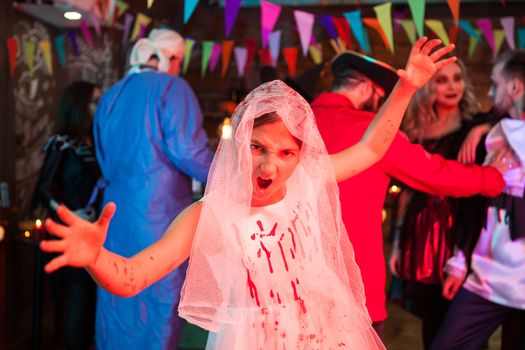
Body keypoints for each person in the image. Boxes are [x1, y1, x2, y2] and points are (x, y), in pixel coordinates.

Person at [41, 38, 455, 349]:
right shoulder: (210, 215)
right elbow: (134, 278)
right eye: (257, 147)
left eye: (286, 152)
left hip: (328, 333)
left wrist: (406, 88)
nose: (269, 165)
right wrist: (95, 257)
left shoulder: (306, 181)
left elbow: (371, 148)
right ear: (239, 141)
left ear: (300, 155)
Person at [312, 50, 507, 336]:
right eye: (381, 98)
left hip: (292, 279)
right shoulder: (372, 131)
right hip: (353, 283)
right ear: (368, 88)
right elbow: (434, 173)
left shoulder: (293, 124)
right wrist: (491, 178)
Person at [93, 28, 214, 349]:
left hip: (114, 216)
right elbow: (188, 151)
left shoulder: (112, 94)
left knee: (117, 294)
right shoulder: (172, 88)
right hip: (159, 216)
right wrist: (230, 174)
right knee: (157, 295)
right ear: (171, 58)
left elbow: (102, 156)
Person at [388, 59, 495, 348]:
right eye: (442, 80)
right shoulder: (415, 129)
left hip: (458, 235)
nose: (452, 86)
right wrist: (398, 243)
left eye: (457, 78)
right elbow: (407, 192)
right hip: (419, 237)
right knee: (432, 327)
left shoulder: (473, 126)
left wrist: (483, 128)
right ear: (427, 87)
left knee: (464, 331)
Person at [430, 50, 525, 350]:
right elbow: (476, 208)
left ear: (514, 88)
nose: (489, 90)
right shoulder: (494, 135)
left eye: (495, 84)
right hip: (487, 280)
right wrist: (460, 262)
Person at [33, 81, 102, 350]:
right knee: (78, 295)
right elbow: (44, 188)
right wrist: (68, 212)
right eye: (94, 101)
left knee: (90, 297)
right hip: (69, 232)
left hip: (93, 232)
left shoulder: (95, 142)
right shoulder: (61, 144)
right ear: (78, 105)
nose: (99, 106)